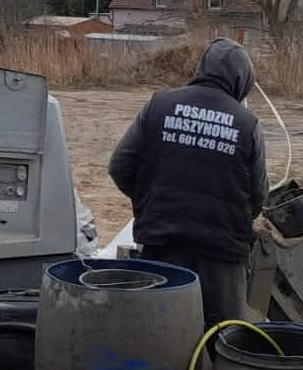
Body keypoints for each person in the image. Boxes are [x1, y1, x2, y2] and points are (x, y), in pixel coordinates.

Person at [107, 37, 268, 324]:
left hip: (161, 250)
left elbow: (119, 167)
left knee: (158, 336)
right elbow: (258, 196)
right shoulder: (247, 125)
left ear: (202, 68)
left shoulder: (158, 105)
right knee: (221, 343)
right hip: (222, 261)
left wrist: (150, 202)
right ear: (243, 82)